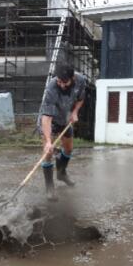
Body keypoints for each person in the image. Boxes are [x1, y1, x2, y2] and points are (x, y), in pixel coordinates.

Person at [38, 63, 87, 201]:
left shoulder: (81, 81)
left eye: (64, 82)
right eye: (59, 81)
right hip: (50, 120)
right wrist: (48, 141)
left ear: (73, 78)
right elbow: (46, 118)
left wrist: (75, 112)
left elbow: (81, 98)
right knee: (48, 152)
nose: (61, 84)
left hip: (65, 119)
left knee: (69, 149)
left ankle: (61, 173)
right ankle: (49, 188)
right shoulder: (52, 88)